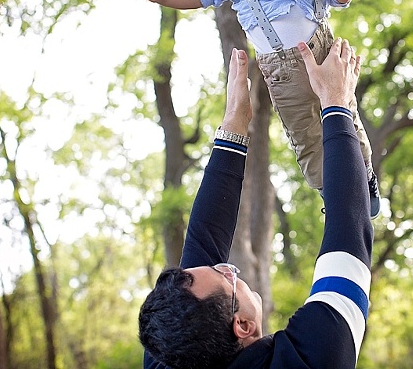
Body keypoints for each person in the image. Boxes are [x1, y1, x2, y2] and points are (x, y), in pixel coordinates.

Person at [136, 0, 381, 218]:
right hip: (281, 70)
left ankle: (363, 175)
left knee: (346, 115)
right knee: (305, 135)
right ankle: (333, 192)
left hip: (322, 53)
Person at [138, 39, 373, 369]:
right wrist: (336, 102)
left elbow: (203, 242)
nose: (222, 264)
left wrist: (234, 123)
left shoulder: (175, 350)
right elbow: (350, 228)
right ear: (242, 325)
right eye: (227, 275)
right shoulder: (316, 357)